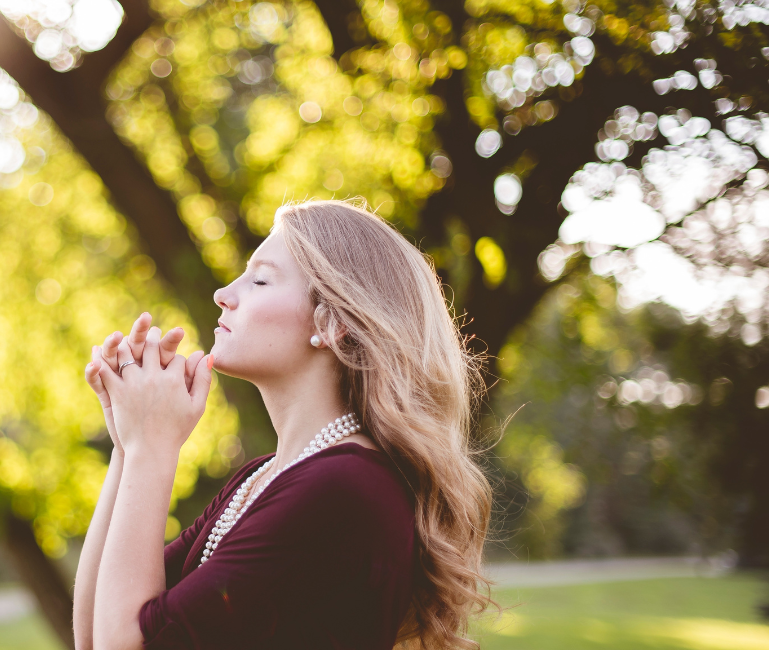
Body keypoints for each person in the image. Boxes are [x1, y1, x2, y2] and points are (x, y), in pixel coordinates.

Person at [72, 200, 495, 650]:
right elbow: (93, 634)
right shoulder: (261, 477)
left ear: (333, 323)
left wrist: (150, 447)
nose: (224, 293)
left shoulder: (343, 487)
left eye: (259, 279)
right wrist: (127, 441)